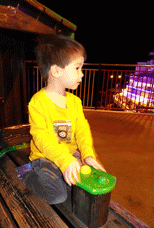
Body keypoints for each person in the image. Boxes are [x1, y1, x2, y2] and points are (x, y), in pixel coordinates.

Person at [18, 34, 106, 205]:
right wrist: (65, 161)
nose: (82, 74)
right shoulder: (38, 102)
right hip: (44, 157)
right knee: (58, 196)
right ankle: (27, 174)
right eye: (77, 68)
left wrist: (87, 155)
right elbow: (42, 137)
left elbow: (82, 129)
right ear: (56, 71)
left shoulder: (75, 102)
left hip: (68, 155)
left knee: (84, 184)